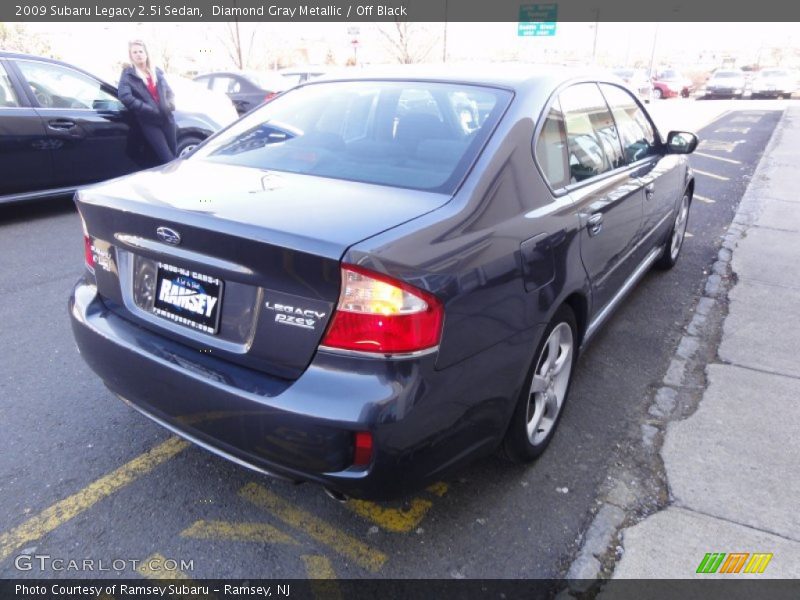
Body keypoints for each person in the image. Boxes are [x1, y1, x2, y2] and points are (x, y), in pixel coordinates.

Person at [118, 40, 177, 164]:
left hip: (167, 119)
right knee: (167, 159)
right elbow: (124, 96)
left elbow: (170, 93)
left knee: (174, 155)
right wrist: (147, 109)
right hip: (150, 122)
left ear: (146, 54)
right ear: (131, 56)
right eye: (135, 52)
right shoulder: (128, 74)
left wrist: (170, 105)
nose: (138, 54)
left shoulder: (156, 72)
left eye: (141, 51)